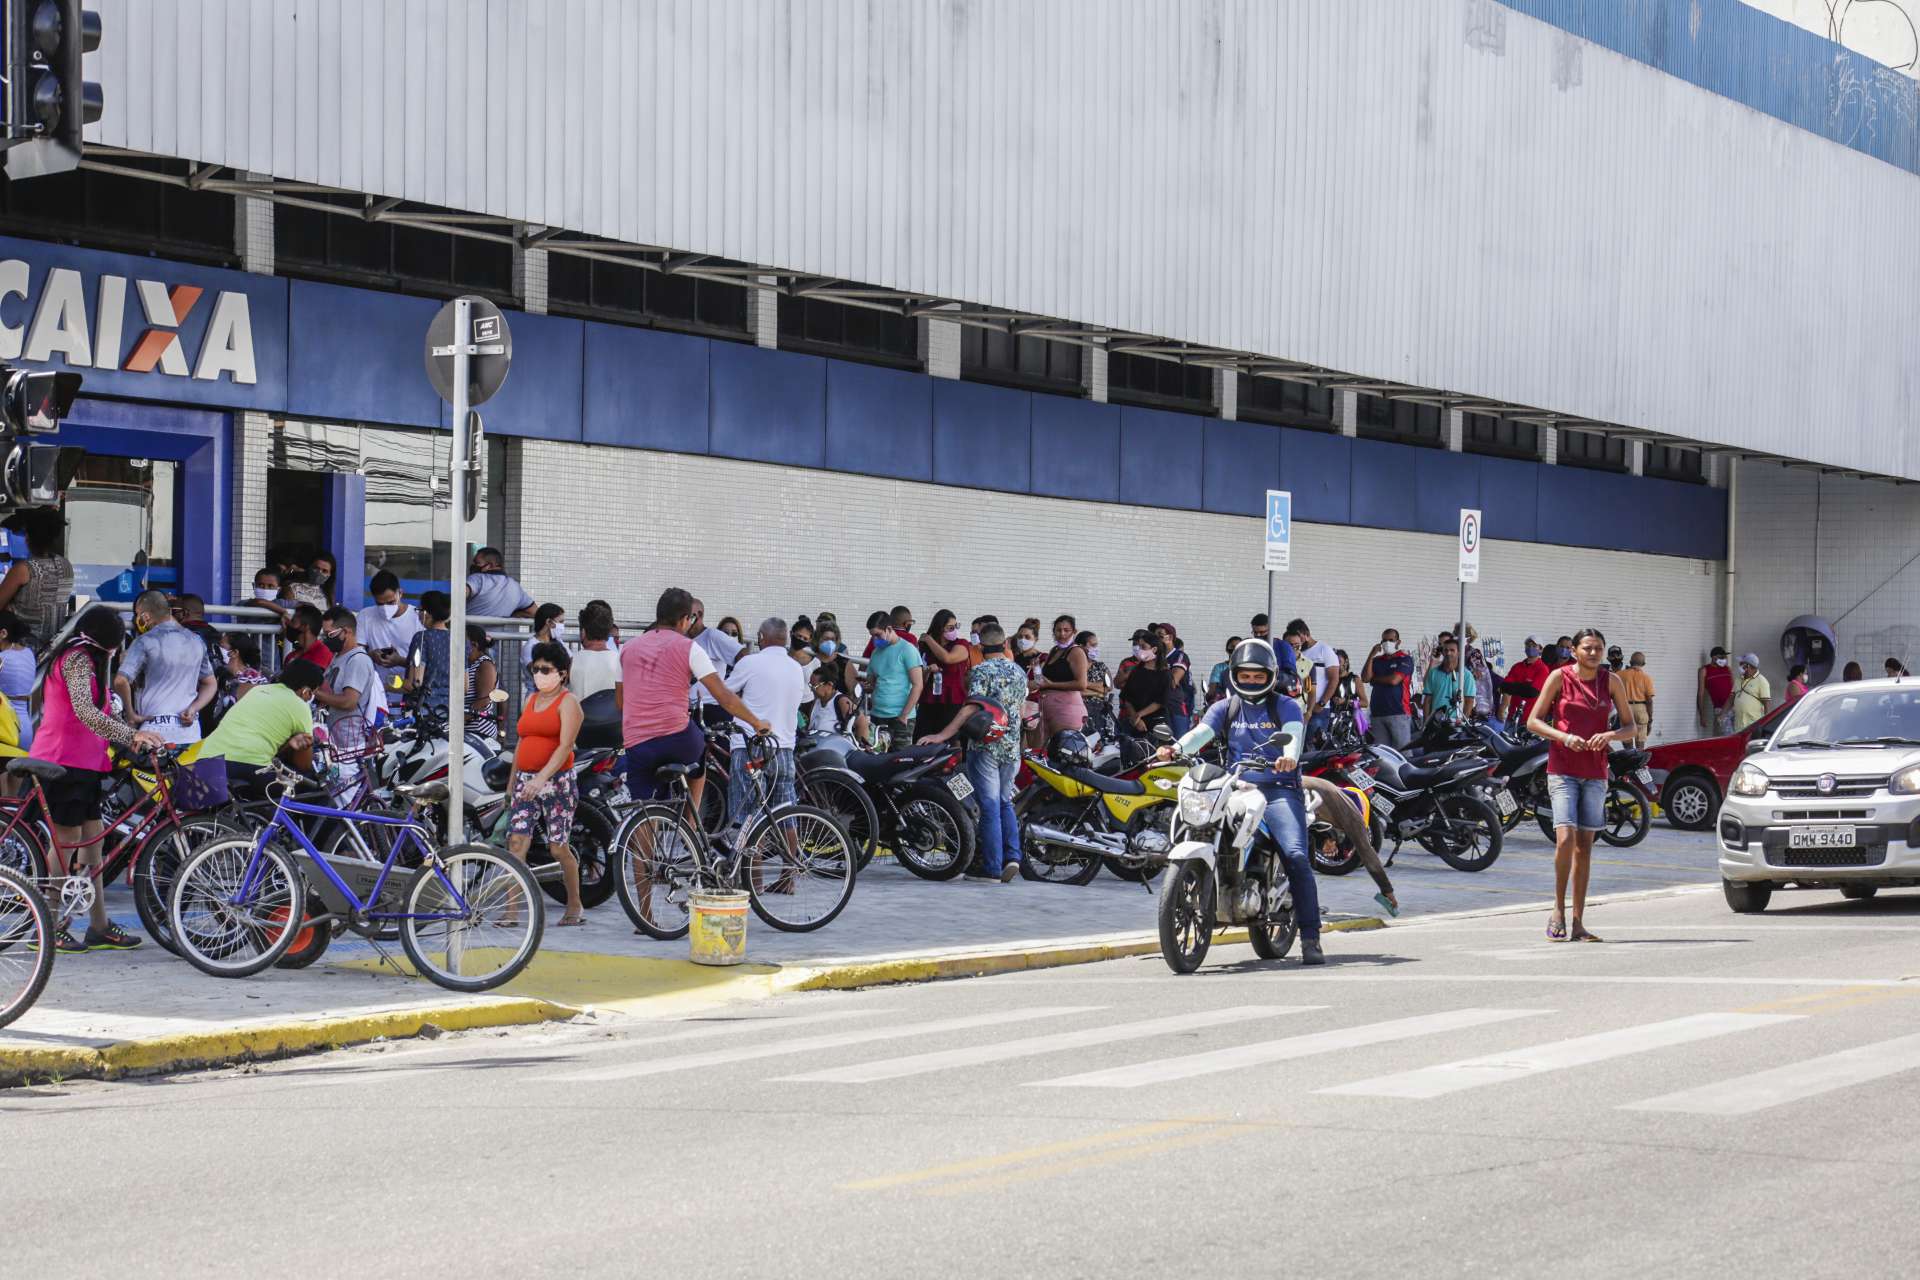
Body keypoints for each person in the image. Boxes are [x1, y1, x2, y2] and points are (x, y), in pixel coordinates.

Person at [1159, 638, 1326, 965]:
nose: (1251, 681)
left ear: (1271, 676)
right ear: (1234, 674)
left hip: (1279, 789)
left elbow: (1292, 736)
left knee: (1295, 855)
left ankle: (1310, 936)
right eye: (1245, 675)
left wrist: (1289, 758)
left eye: (1258, 676)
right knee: (1203, 827)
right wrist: (1176, 749)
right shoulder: (1226, 706)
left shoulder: (1286, 706)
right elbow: (1201, 733)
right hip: (1236, 786)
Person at [31, 606, 166, 952]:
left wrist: (137, 732)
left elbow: (102, 710)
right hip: (62, 762)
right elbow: (85, 711)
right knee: (66, 844)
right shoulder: (77, 660)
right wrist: (128, 736)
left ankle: (99, 925)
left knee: (94, 843)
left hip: (87, 763)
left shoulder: (90, 662)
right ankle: (47, 924)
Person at [1527, 627, 1635, 944]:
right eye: (1586, 647)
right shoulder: (1559, 677)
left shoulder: (1611, 681)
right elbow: (1534, 720)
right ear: (1574, 650)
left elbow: (1630, 726)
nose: (1592, 653)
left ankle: (1578, 922)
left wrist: (1610, 736)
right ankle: (1557, 910)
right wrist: (1564, 737)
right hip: (1562, 769)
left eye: (1597, 648)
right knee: (1565, 838)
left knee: (1584, 846)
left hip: (1596, 771)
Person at [620, 587, 767, 819]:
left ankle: (642, 853)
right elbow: (724, 696)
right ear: (684, 620)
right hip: (677, 737)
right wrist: (757, 722)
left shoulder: (627, 649)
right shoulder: (689, 648)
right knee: (700, 758)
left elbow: (621, 701)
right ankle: (691, 824)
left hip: (637, 742)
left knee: (645, 814)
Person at [919, 621, 1026, 882]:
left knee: (989, 806)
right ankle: (1012, 857)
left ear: (981, 645)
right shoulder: (1019, 672)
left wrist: (942, 735)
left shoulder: (981, 671)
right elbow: (1021, 711)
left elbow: (970, 708)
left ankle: (991, 868)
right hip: (1012, 747)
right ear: (1005, 643)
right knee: (1004, 802)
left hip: (986, 746)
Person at [506, 641, 585, 926]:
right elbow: (522, 742)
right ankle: (512, 909)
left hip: (557, 783)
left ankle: (574, 903)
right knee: (516, 842)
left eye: (546, 669)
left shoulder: (568, 703)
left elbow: (565, 747)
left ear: (562, 673)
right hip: (525, 782)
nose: (539, 674)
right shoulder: (530, 700)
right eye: (535, 668)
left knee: (558, 847)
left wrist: (541, 779)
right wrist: (513, 780)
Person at [722, 618, 808, 834]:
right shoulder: (796, 668)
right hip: (784, 750)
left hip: (750, 747)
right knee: (786, 814)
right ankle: (792, 866)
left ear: (761, 637)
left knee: (750, 817)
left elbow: (722, 693)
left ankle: (753, 869)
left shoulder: (750, 663)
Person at [197, 658, 323, 795]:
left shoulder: (258, 690)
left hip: (206, 761)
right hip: (247, 766)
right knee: (310, 785)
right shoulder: (300, 706)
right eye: (312, 693)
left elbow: (258, 737)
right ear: (305, 691)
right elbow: (304, 765)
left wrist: (287, 746)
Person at [113, 590, 216, 746]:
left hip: (153, 734)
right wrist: (194, 708)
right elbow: (210, 683)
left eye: (137, 614)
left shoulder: (144, 641)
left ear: (145, 616)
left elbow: (121, 680)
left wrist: (131, 714)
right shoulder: (196, 641)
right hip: (190, 732)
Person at [0, 507, 74, 643]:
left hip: (23, 646)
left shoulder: (23, 570)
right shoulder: (66, 566)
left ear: (28, 537)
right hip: (54, 644)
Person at [313, 606, 387, 729]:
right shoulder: (338, 656)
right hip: (334, 737)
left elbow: (349, 702)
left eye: (329, 634)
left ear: (346, 632)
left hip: (351, 742)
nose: (325, 640)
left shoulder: (358, 660)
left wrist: (315, 693)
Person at [865, 609, 925, 745]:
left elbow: (918, 685)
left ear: (889, 629)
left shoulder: (907, 649)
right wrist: (867, 686)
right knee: (878, 758)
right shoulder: (876, 652)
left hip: (900, 716)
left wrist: (904, 715)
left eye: (878, 635)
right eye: (872, 636)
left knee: (900, 760)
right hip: (878, 714)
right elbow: (872, 681)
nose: (875, 639)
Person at [357, 570, 424, 689]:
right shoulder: (365, 615)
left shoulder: (417, 617)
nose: (385, 608)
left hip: (408, 690)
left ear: (400, 593)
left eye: (391, 602)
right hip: (377, 688)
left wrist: (400, 661)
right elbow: (357, 652)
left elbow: (425, 662)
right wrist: (371, 655)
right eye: (380, 604)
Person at [687, 597, 745, 728]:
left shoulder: (713, 636)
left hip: (712, 707)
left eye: (688, 615)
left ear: (699, 615)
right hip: (688, 708)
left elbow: (743, 656)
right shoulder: (682, 638)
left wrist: (734, 686)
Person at [1030, 614, 1090, 739]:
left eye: (1066, 630)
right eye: (1058, 630)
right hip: (1046, 709)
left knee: (1062, 749)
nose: (1062, 634)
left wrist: (1051, 685)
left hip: (1066, 710)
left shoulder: (1076, 652)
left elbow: (1081, 684)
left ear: (1074, 632)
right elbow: (1043, 681)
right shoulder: (1054, 650)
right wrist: (1036, 669)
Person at [917, 609, 972, 740]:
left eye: (955, 627)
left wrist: (929, 639)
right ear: (940, 628)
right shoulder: (926, 647)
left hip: (952, 698)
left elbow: (948, 658)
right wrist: (928, 670)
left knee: (950, 739)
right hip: (929, 698)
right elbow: (920, 672)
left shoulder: (961, 644)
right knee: (922, 736)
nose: (954, 630)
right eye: (950, 627)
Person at [1285, 618, 1341, 742]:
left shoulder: (1324, 650)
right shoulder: (1296, 653)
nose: (1297, 642)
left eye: (1299, 638)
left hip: (1318, 709)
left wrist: (1321, 703)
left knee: (1312, 747)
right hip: (1300, 709)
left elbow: (1334, 679)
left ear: (1306, 634)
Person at [1117, 631, 1170, 757]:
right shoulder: (1136, 671)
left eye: (1143, 647)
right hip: (1134, 722)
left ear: (1154, 649)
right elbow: (1126, 697)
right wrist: (1135, 717)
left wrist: (1139, 715)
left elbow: (1160, 701)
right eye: (1139, 646)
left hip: (1155, 723)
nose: (1139, 650)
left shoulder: (1165, 674)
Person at [1361, 629, 1414, 747]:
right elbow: (1365, 678)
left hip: (1398, 713)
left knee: (1403, 751)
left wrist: (1375, 679)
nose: (1387, 643)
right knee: (1382, 754)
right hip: (1377, 714)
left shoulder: (1405, 659)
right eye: (1384, 640)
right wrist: (1371, 654)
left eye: (1391, 640)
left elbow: (1394, 680)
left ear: (1398, 642)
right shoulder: (1377, 661)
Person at [405, 589, 454, 716]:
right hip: (450, 713)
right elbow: (464, 687)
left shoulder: (422, 638)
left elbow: (415, 682)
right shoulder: (459, 640)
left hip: (424, 711)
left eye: (419, 610)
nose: (419, 614)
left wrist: (386, 686)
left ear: (427, 613)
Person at [570, 600, 623, 702]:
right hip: (614, 717)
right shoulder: (621, 661)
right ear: (609, 632)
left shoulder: (572, 661)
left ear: (583, 632)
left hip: (579, 716)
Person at [466, 546, 536, 619]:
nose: (474, 566)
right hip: (500, 630)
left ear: (491, 565)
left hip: (471, 629)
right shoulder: (516, 587)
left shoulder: (477, 579)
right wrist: (512, 615)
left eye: (477, 563)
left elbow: (459, 594)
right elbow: (534, 612)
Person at [0, 611, 34, 755]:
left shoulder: (2, 658)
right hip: (25, 728)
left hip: (6, 727)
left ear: (3, 633)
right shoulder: (28, 653)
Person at [1419, 638, 1476, 724]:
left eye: (1452, 650)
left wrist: (1463, 722)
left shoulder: (1466, 675)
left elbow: (1469, 701)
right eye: (1446, 650)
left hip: (1456, 722)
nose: (1448, 653)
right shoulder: (1433, 673)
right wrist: (1426, 723)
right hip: (1436, 722)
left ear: (1459, 653)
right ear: (1442, 652)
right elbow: (1427, 700)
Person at [1501, 637, 1551, 731]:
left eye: (1534, 646)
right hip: (1512, 718)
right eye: (1528, 645)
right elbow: (1504, 686)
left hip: (1531, 721)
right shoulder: (1517, 666)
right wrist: (1524, 687)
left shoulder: (1543, 669)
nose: (1530, 647)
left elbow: (1532, 692)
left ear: (1540, 649)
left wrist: (1513, 687)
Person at [1077, 631, 1115, 747]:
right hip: (1080, 712)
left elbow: (1108, 687)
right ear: (1081, 647)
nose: (1095, 648)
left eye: (1096, 645)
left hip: (1100, 712)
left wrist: (1083, 684)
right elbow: (1076, 690)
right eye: (1092, 645)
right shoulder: (1074, 666)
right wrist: (1097, 691)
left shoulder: (1101, 666)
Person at [465, 624, 502, 741]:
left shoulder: (484, 665)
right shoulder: (467, 663)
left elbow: (483, 701)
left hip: (479, 731)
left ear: (474, 645)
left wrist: (456, 721)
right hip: (465, 729)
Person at [1620, 651, 1655, 748]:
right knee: (1640, 743)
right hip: (1641, 709)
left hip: (1625, 708)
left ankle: (1629, 758)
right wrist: (1650, 719)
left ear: (1630, 662)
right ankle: (1639, 761)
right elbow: (1649, 701)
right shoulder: (1646, 678)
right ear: (1643, 664)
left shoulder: (1620, 675)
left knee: (1627, 741)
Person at [284, 603, 332, 670]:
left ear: (306, 626)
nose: (290, 624)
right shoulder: (290, 656)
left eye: (293, 621)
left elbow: (312, 678)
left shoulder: (322, 652)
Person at [1698, 645, 1734, 733]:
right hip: (1720, 710)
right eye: (1722, 657)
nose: (1724, 659)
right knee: (1727, 737)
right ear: (1714, 657)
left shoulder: (1728, 669)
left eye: (1725, 657)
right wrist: (1702, 715)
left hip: (1735, 708)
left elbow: (1734, 689)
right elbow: (1701, 693)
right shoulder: (1705, 670)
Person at [1732, 653, 1771, 730]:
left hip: (1753, 726)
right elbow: (1731, 697)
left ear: (1748, 666)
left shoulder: (1762, 681)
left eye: (1741, 664)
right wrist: (1722, 714)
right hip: (1738, 725)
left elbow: (1767, 704)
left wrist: (1766, 724)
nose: (1739, 666)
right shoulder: (1738, 679)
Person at [1207, 638, 1242, 705]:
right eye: (1232, 647)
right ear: (1227, 650)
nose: (1235, 649)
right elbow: (1212, 688)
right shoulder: (1219, 668)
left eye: (1238, 647)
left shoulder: (1247, 667)